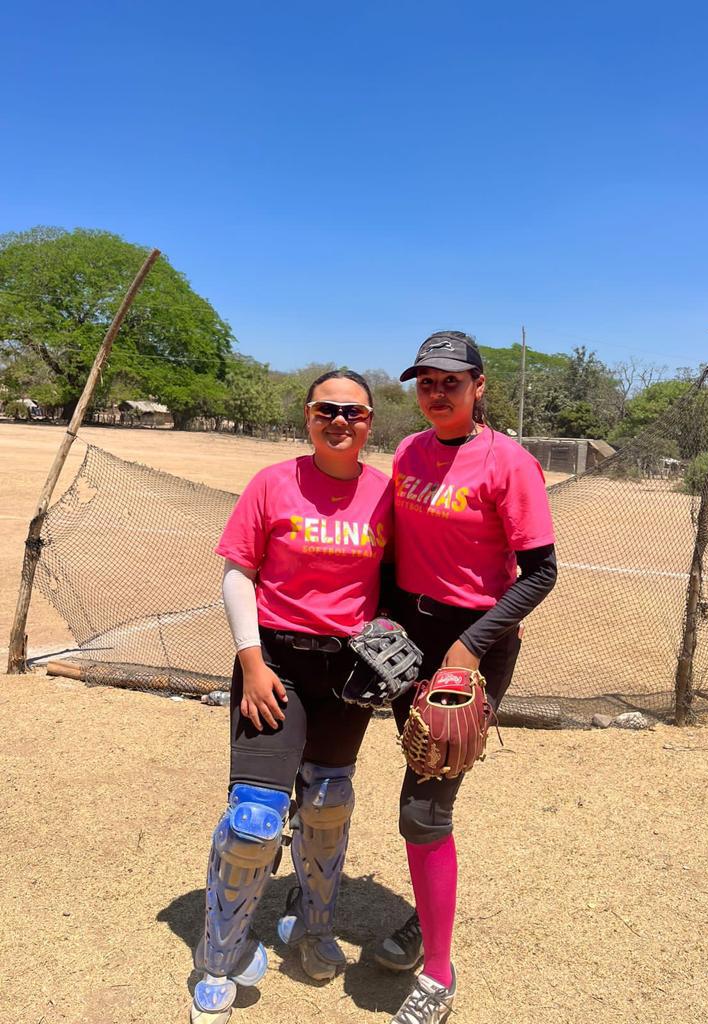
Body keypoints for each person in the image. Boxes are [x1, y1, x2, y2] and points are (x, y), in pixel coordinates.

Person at [191, 370, 392, 1024]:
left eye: (353, 412)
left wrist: (405, 659)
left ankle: (313, 921)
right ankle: (217, 960)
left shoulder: (388, 494)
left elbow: (406, 583)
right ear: (308, 416)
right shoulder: (272, 483)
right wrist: (251, 660)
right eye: (326, 410)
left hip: (347, 673)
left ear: (370, 421)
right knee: (253, 823)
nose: (340, 421)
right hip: (273, 662)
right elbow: (237, 572)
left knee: (329, 801)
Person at [375, 332, 558, 1024]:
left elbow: (541, 571)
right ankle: (426, 916)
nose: (437, 391)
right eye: (425, 381)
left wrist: (469, 647)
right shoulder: (408, 452)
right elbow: (397, 546)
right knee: (418, 778)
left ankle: (439, 975)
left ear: (479, 386)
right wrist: (383, 621)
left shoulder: (508, 463)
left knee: (424, 809)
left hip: (472, 646)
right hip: (409, 636)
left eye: (451, 380)